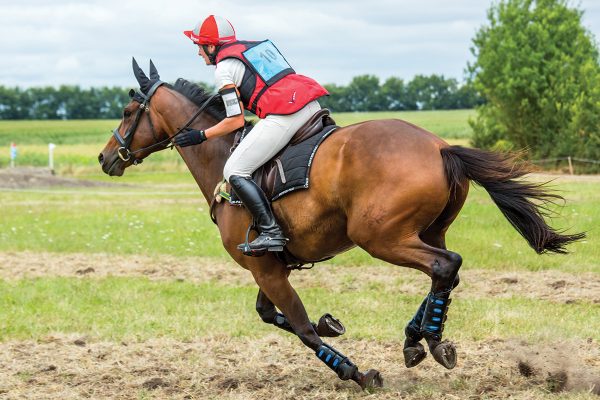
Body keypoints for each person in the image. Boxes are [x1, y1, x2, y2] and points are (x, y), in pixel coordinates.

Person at [176, 15, 329, 256]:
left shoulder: (224, 69)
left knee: (234, 170)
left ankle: (271, 231)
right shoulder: (255, 50)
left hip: (285, 115)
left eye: (198, 46)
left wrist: (201, 135)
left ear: (211, 46)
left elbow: (235, 120)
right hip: (312, 107)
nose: (198, 53)